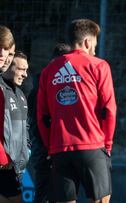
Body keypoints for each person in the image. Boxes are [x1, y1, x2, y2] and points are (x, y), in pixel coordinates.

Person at [37, 19, 116, 203]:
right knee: (101, 200)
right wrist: (108, 144)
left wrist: (50, 146)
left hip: (59, 149)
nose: (95, 49)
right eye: (94, 44)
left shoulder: (48, 71)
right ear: (87, 42)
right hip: (92, 146)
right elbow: (110, 109)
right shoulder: (99, 65)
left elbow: (41, 116)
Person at [28, 43, 71, 203]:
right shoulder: (43, 83)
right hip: (46, 147)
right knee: (46, 191)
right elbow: (38, 121)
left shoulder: (50, 82)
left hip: (56, 146)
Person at [0, 26, 28, 203]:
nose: (4, 56)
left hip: (9, 163)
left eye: (9, 54)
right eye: (1, 49)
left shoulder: (19, 94)